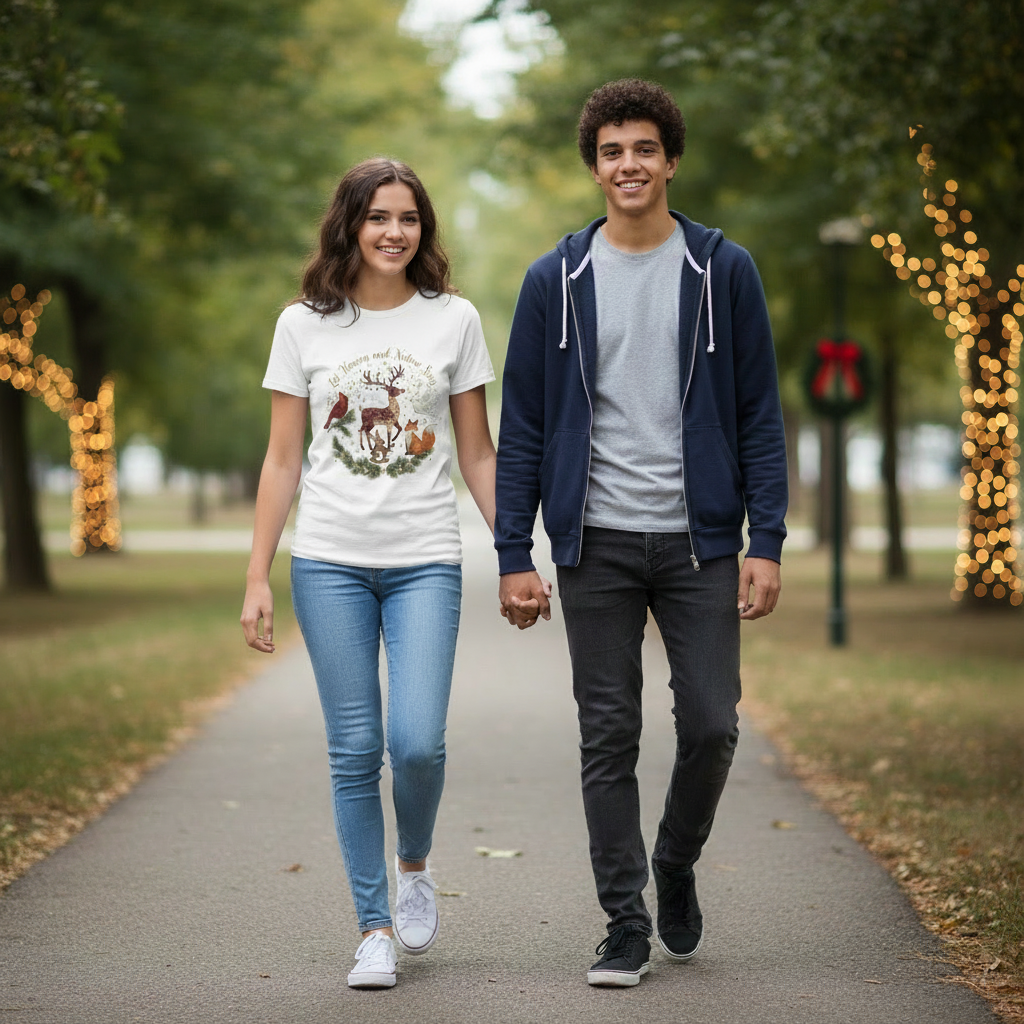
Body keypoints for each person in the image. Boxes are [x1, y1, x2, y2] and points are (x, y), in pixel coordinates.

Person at [494, 79, 788, 987]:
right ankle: (624, 923)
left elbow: (758, 414)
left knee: (711, 723)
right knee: (607, 732)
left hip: (700, 541)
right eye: (613, 151)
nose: (630, 165)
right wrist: (515, 555)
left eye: (645, 149)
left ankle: (674, 861)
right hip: (598, 542)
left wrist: (766, 539)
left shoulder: (721, 269)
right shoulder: (555, 280)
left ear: (670, 160)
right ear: (595, 166)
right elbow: (528, 428)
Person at [241, 157, 504, 989]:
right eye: (379, 216)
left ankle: (414, 865)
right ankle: (375, 927)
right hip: (329, 562)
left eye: (410, 218)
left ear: (424, 229)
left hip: (426, 557)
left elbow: (477, 453)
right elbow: (283, 460)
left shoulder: (453, 319)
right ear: (349, 223)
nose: (395, 232)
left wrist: (519, 554)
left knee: (416, 742)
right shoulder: (304, 325)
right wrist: (258, 575)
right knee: (355, 750)